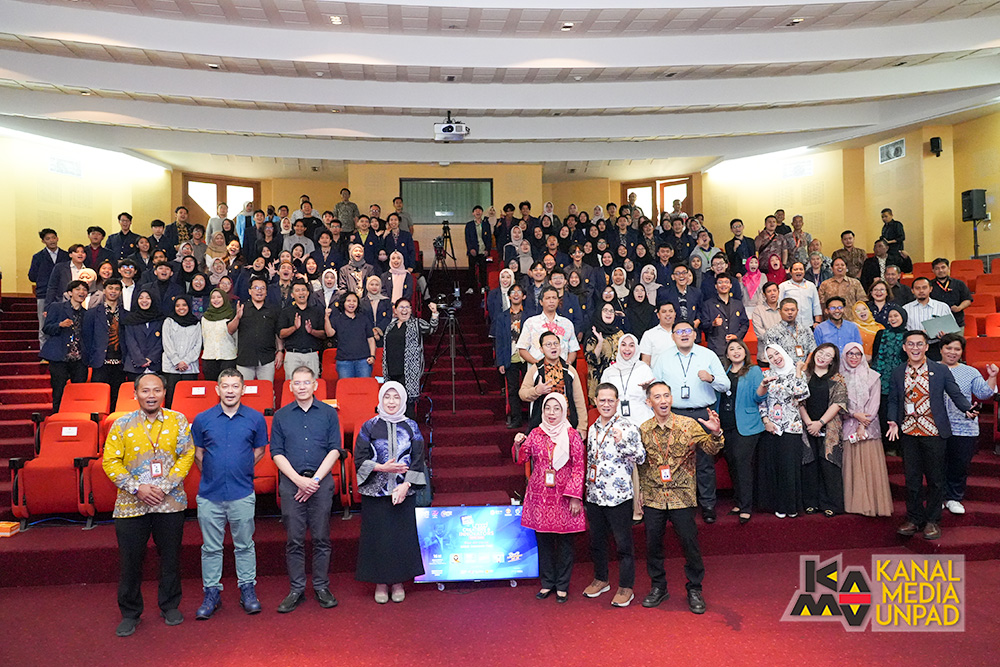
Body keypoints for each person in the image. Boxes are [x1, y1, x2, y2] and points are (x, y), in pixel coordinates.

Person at [102, 373, 194, 637]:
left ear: (164, 392)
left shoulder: (178, 420)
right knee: (130, 560)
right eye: (145, 391)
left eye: (156, 390)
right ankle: (130, 613)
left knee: (170, 558)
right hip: (131, 504)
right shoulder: (121, 424)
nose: (151, 395)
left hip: (170, 502)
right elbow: (110, 461)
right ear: (135, 394)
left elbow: (187, 455)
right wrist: (136, 488)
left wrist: (164, 486)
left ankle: (170, 606)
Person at [637, 381, 722, 614]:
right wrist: (641, 493)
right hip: (654, 496)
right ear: (649, 402)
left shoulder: (688, 424)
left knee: (689, 543)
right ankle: (658, 586)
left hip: (682, 496)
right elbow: (640, 465)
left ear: (672, 399)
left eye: (666, 395)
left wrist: (715, 433)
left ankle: (695, 588)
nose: (663, 401)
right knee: (653, 544)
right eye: (657, 397)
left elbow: (711, 449)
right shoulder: (643, 429)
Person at [190, 369, 268, 619]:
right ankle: (212, 593)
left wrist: (240, 469)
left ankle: (248, 590)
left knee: (244, 545)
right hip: (209, 494)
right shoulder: (203, 419)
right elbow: (198, 453)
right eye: (225, 386)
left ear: (243, 389)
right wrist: (213, 473)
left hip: (242, 493)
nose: (230, 391)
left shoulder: (255, 418)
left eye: (235, 386)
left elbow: (259, 451)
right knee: (211, 548)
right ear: (218, 389)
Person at [269, 366, 344, 611]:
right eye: (297, 383)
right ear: (290, 386)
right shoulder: (281, 416)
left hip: (320, 484)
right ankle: (296, 589)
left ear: (315, 385)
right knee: (294, 539)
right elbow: (276, 452)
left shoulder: (329, 413)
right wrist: (298, 481)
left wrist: (314, 482)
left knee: (321, 537)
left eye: (306, 382)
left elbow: (335, 449)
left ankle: (321, 586)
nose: (301, 387)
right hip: (291, 484)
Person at [887, 330, 973, 541]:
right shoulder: (898, 372)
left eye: (919, 344)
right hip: (908, 431)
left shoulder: (940, 370)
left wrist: (967, 408)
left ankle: (933, 520)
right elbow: (894, 400)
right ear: (904, 347)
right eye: (911, 344)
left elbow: (955, 393)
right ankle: (914, 518)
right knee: (912, 479)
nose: (915, 348)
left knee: (935, 479)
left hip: (934, 431)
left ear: (926, 347)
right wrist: (892, 421)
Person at [354, 382, 427, 603]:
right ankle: (380, 583)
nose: (391, 402)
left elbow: (418, 459)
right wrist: (381, 467)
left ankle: (398, 582)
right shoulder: (369, 426)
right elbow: (359, 458)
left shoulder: (411, 426)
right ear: (380, 400)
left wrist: (406, 485)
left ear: (402, 400)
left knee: (400, 539)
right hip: (375, 493)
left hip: (403, 492)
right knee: (378, 539)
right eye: (387, 397)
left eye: (396, 397)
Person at [651, 320, 730, 522]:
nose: (684, 334)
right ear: (673, 336)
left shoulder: (708, 355)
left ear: (695, 334)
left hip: (701, 415)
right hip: (674, 414)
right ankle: (677, 506)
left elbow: (725, 384)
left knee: (705, 462)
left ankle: (708, 505)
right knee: (673, 461)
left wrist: (711, 378)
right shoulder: (663, 358)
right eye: (679, 332)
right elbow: (655, 387)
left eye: (688, 331)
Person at [512, 393, 586, 603]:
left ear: (564, 411)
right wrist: (518, 444)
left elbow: (579, 467)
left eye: (556, 408)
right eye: (547, 408)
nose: (551, 413)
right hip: (540, 496)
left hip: (564, 496)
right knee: (543, 541)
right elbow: (522, 459)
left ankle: (562, 585)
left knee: (564, 542)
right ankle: (547, 583)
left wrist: (575, 497)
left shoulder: (572, 435)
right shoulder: (536, 433)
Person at [582, 384, 645, 607]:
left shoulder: (628, 426)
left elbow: (641, 457)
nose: (606, 404)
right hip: (595, 495)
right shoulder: (592, 428)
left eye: (611, 400)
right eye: (602, 400)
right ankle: (601, 579)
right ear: (595, 402)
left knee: (623, 545)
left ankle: (626, 587)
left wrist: (622, 442)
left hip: (619, 496)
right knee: (597, 542)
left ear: (617, 402)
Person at [938, 334, 998, 516]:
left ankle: (954, 498)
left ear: (962, 352)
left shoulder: (970, 371)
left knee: (959, 464)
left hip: (963, 426)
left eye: (957, 349)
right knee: (937, 464)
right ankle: (938, 497)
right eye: (948, 348)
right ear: (940, 349)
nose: (952, 352)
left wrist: (993, 376)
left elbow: (984, 393)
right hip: (935, 426)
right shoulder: (930, 368)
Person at [840, 342, 894, 517]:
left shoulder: (873, 376)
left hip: (869, 426)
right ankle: (853, 504)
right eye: (850, 354)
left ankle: (872, 503)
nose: (854, 357)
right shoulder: (838, 377)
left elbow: (875, 403)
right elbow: (837, 403)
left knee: (870, 466)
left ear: (863, 356)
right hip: (847, 424)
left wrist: (863, 425)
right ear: (844, 356)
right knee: (852, 464)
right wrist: (854, 414)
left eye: (858, 354)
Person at [715, 340, 765, 524]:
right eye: (731, 349)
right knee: (732, 463)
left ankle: (746, 507)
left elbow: (758, 397)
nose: (736, 351)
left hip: (747, 425)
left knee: (742, 464)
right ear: (727, 354)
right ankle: (738, 501)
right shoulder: (724, 373)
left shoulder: (754, 371)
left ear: (745, 352)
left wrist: (763, 386)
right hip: (726, 424)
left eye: (739, 348)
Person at [757, 344, 809, 518]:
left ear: (784, 353)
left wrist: (798, 372)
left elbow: (801, 394)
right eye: (770, 357)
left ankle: (791, 506)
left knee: (789, 468)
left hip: (791, 427)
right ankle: (778, 505)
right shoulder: (766, 375)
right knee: (775, 468)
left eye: (777, 354)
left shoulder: (797, 372)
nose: (775, 358)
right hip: (772, 428)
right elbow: (761, 401)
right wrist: (766, 421)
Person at [798, 343, 847, 517]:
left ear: (832, 361)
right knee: (809, 463)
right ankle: (810, 502)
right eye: (821, 352)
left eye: (828, 355)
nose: (822, 357)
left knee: (829, 464)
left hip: (829, 426)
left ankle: (831, 504)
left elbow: (838, 403)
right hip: (806, 426)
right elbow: (798, 401)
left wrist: (820, 423)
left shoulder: (837, 378)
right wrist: (809, 423)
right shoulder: (804, 375)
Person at [519, 331, 589, 441]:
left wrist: (582, 426)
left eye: (556, 343)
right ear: (541, 349)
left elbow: (579, 400)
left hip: (567, 424)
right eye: (548, 344)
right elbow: (522, 393)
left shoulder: (569, 370)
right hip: (541, 425)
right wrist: (537, 391)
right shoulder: (536, 369)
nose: (553, 347)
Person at [381, 298, 439, 419]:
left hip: (408, 371)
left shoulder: (416, 323)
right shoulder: (390, 326)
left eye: (407, 307)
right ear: (395, 310)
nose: (404, 310)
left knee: (408, 404)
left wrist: (434, 314)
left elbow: (431, 329)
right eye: (401, 307)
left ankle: (409, 428)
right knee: (393, 403)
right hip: (391, 370)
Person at [41, 279, 89, 410]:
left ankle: (76, 414)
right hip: (59, 356)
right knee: (59, 389)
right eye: (78, 289)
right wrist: (60, 325)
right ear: (70, 293)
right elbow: (46, 328)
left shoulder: (87, 313)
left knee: (79, 390)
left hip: (79, 358)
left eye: (84, 290)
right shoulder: (57, 307)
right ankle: (57, 415)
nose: (81, 292)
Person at [870, 306, 908, 452]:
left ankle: (898, 446)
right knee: (883, 411)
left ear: (903, 317)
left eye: (896, 316)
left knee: (900, 410)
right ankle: (885, 446)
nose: (892, 319)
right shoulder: (881, 333)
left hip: (900, 377)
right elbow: (875, 356)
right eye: (890, 316)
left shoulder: (908, 335)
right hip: (882, 378)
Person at [492, 284, 529, 429]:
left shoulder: (530, 315)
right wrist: (500, 362)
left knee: (531, 389)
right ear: (509, 296)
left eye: (519, 292)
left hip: (528, 358)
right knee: (513, 390)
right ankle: (516, 419)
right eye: (513, 292)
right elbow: (499, 340)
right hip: (510, 357)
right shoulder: (502, 317)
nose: (516, 294)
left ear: (524, 296)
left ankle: (533, 419)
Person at [233, 278, 283, 382]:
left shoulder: (273, 309)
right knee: (244, 389)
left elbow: (278, 332)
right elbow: (230, 330)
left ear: (266, 292)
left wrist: (280, 351)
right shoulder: (242, 308)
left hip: (267, 358)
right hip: (245, 357)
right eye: (256, 288)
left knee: (267, 389)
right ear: (249, 291)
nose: (259, 291)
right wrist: (237, 317)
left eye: (262, 288)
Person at [517, 286, 580, 365]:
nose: (551, 301)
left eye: (554, 298)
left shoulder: (567, 323)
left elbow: (573, 349)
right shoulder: (531, 322)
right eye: (548, 298)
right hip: (537, 369)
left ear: (558, 301)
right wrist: (538, 365)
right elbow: (522, 349)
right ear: (541, 302)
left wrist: (567, 364)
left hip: (561, 369)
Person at [29, 228, 70, 345]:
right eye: (48, 239)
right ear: (43, 241)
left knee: (63, 322)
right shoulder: (38, 257)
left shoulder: (66, 256)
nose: (51, 240)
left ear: (57, 238)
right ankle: (44, 351)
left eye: (53, 238)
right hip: (44, 294)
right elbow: (32, 276)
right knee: (44, 324)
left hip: (63, 294)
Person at [278, 280, 326, 378]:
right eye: (297, 290)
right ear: (292, 295)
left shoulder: (316, 311)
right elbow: (281, 334)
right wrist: (294, 328)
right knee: (291, 383)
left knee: (313, 383)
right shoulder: (286, 312)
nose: (301, 293)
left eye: (303, 290)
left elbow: (324, 334)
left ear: (308, 293)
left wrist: (312, 331)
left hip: (311, 354)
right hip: (292, 355)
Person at [162, 295, 203, 406]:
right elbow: (167, 343)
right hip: (171, 368)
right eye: (177, 305)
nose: (181, 308)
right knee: (171, 400)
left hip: (190, 368)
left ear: (189, 306)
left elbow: (198, 345)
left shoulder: (196, 323)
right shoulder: (168, 322)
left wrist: (185, 361)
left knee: (189, 402)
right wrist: (177, 361)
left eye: (184, 305)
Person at [324, 293, 376, 379]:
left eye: (354, 301)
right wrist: (326, 318)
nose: (351, 303)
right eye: (348, 301)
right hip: (344, 362)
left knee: (364, 386)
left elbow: (370, 338)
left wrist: (372, 356)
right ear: (343, 303)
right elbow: (330, 333)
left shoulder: (363, 319)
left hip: (363, 361)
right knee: (346, 386)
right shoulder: (337, 319)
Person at [698, 272, 748, 359]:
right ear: (716, 286)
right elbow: (703, 325)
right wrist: (713, 324)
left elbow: (745, 324)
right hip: (716, 349)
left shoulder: (738, 304)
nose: (723, 285)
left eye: (726, 282)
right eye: (720, 282)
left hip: (735, 348)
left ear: (731, 285)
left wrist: (737, 336)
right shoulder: (708, 304)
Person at [584, 303, 626, 402]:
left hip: (618, 379)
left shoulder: (619, 333)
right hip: (599, 381)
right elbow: (591, 359)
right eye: (605, 310)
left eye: (611, 311)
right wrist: (600, 342)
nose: (609, 313)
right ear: (599, 312)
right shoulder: (593, 333)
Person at [122, 288, 164, 381]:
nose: (144, 301)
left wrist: (151, 358)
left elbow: (161, 342)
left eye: (148, 298)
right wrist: (140, 360)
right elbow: (130, 342)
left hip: (155, 365)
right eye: (141, 298)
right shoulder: (130, 319)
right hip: (134, 366)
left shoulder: (160, 319)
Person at [761, 298, 816, 365]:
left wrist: (806, 366)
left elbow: (812, 350)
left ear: (797, 311)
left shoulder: (806, 329)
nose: (790, 312)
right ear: (780, 311)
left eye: (793, 310)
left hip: (805, 367)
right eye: (786, 310)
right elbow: (772, 356)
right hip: (782, 368)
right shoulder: (772, 331)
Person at [201, 288, 239, 381]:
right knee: (211, 387)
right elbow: (204, 337)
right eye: (213, 297)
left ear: (224, 298)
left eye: (219, 297)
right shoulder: (205, 318)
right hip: (209, 357)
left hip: (228, 357)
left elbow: (236, 337)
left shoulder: (231, 316)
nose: (216, 300)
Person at [930, 258, 973, 328]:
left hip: (956, 321)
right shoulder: (929, 285)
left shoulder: (959, 284)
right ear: (933, 270)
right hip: (935, 322)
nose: (940, 270)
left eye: (943, 267)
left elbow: (967, 300)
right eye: (937, 268)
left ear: (948, 268)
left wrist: (959, 308)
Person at [779, 261, 823, 330]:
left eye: (801, 269)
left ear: (804, 272)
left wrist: (817, 322)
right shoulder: (783, 286)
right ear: (790, 272)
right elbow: (779, 306)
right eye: (795, 269)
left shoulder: (811, 286)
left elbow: (816, 305)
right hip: (789, 326)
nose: (798, 271)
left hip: (808, 325)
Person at [638, 301, 677, 368]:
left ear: (675, 314)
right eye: (664, 312)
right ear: (658, 315)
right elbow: (646, 362)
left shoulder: (683, 333)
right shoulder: (649, 334)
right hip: (657, 374)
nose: (668, 314)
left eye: (670, 311)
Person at [465, 205, 492, 294]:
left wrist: (487, 250)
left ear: (482, 213)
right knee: (471, 270)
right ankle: (471, 287)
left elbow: (489, 239)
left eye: (479, 210)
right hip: (473, 251)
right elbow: (467, 239)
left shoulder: (486, 224)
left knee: (483, 270)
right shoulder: (469, 225)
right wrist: (470, 249)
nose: (478, 212)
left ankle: (483, 287)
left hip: (483, 251)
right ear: (473, 213)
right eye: (476, 210)